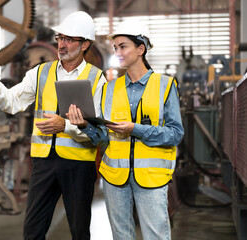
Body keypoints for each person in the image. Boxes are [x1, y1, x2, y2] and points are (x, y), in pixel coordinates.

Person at [0, 11, 107, 240]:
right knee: (32, 231)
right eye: (60, 38)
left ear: (85, 45)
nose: (62, 44)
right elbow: (10, 103)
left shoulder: (97, 79)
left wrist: (65, 126)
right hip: (44, 163)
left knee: (80, 231)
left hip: (79, 165)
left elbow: (100, 133)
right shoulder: (41, 73)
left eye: (69, 39)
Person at [67, 19, 184, 240]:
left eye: (123, 46)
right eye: (115, 48)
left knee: (156, 236)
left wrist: (135, 129)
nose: (117, 52)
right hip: (114, 177)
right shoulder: (108, 89)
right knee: (121, 236)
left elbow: (175, 134)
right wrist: (84, 125)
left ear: (141, 49)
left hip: (151, 177)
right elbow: (103, 138)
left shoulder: (165, 85)